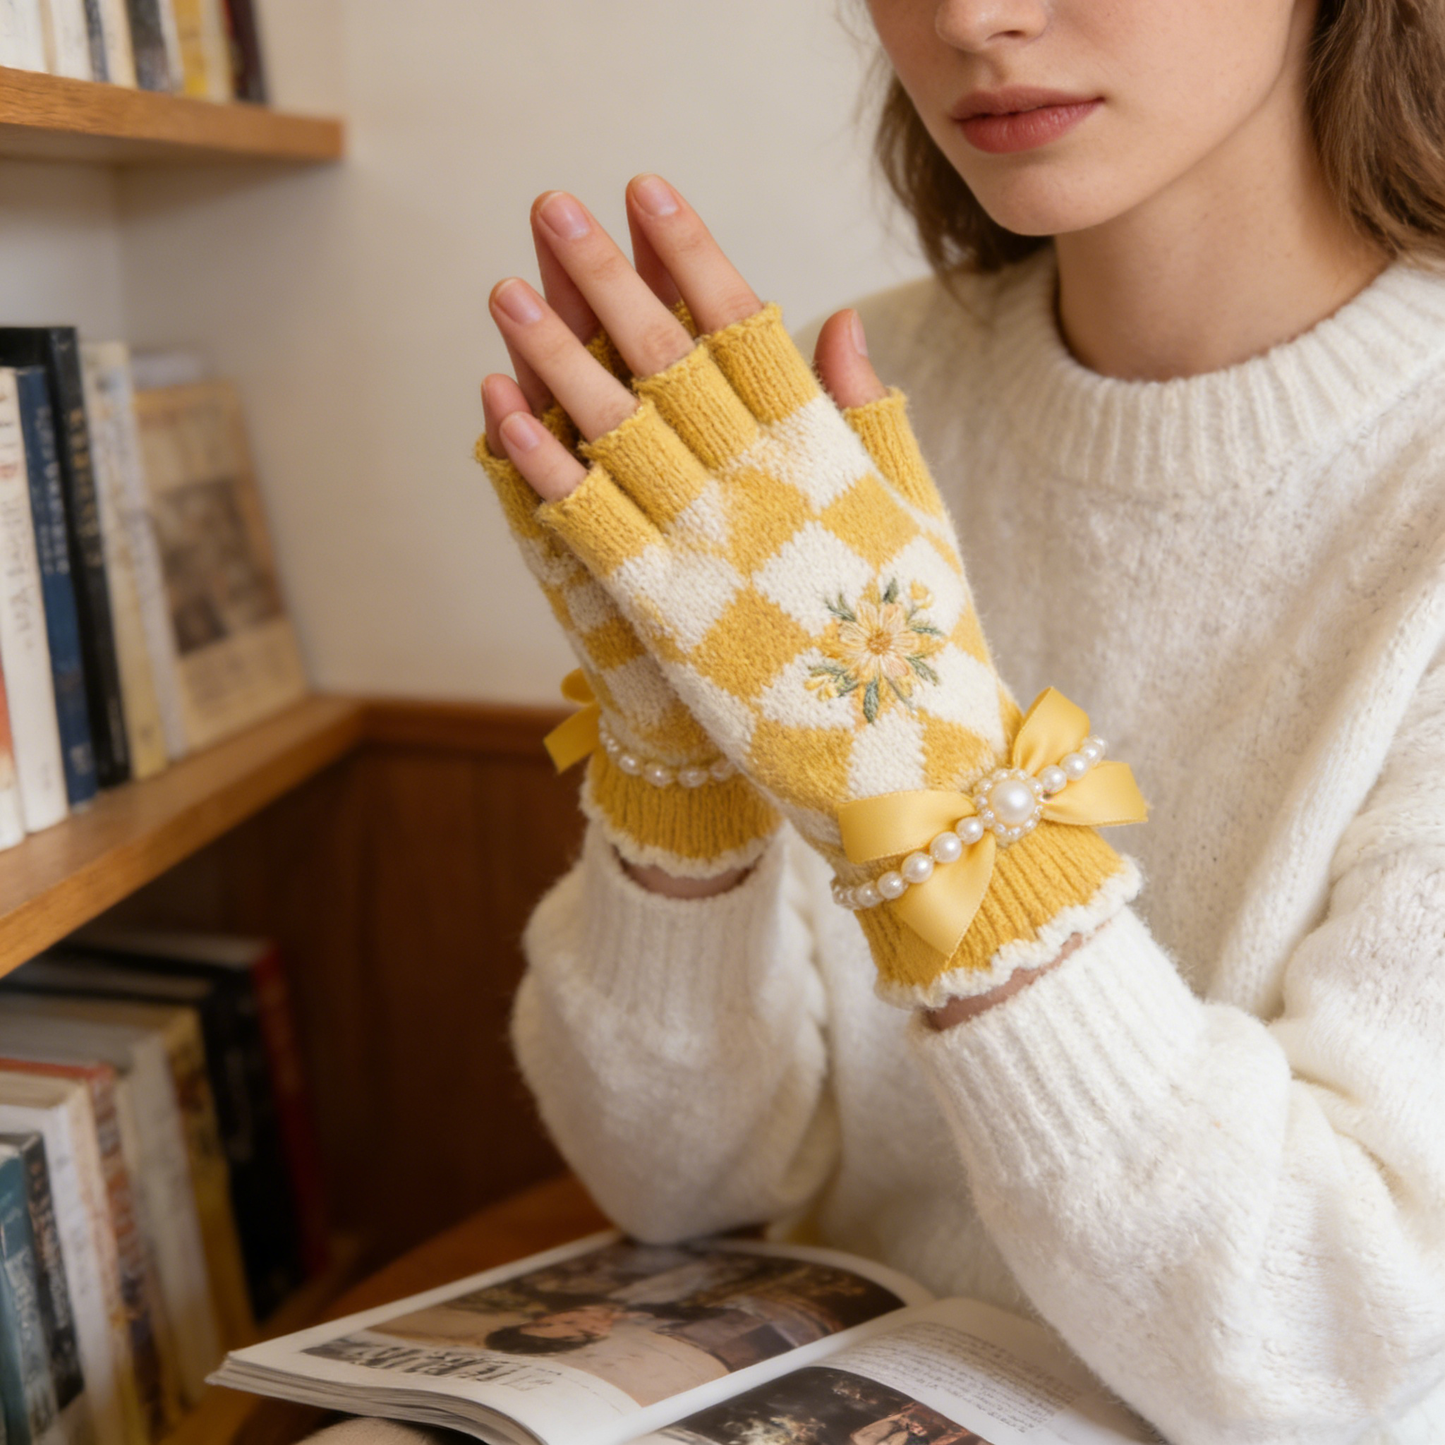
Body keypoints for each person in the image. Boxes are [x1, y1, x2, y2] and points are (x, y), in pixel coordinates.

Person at [314, 0, 1445, 1440]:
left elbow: (1329, 1340)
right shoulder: (834, 420)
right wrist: (677, 781)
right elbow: (682, 1186)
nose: (976, 16)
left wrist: (943, 807)